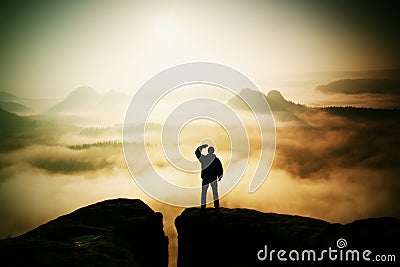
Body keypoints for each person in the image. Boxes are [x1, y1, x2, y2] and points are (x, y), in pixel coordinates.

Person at [195, 144, 223, 210]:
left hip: (210, 178)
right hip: (208, 178)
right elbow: (197, 153)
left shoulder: (209, 159)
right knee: (210, 192)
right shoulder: (210, 159)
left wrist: (220, 175)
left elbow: (220, 168)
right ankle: (209, 206)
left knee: (212, 192)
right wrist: (201, 147)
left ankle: (213, 206)